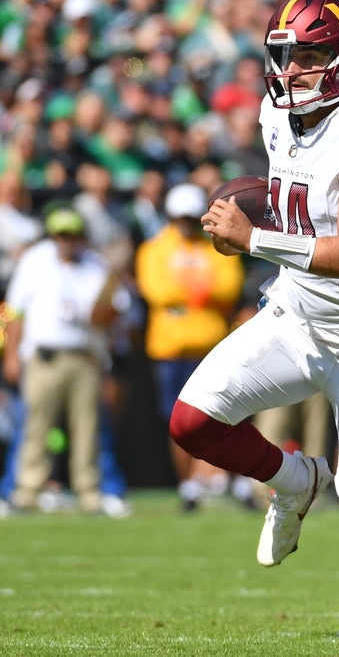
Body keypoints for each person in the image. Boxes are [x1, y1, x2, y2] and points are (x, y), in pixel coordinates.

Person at [168, 0, 339, 636]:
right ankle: (294, 479)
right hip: (297, 317)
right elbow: (295, 209)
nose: (292, 70)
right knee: (193, 422)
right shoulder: (276, 115)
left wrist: (254, 239)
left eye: (309, 56)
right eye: (286, 56)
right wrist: (251, 229)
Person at [1, 205, 132, 515]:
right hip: (43, 356)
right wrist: (11, 354)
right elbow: (14, 311)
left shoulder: (96, 265)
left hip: (84, 357)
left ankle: (90, 492)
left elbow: (116, 310)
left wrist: (98, 313)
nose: (66, 241)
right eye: (61, 235)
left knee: (87, 429)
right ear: (52, 236)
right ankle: (26, 491)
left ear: (81, 237)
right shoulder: (35, 260)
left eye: (71, 235)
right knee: (35, 427)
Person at [135, 182, 245, 511]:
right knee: (178, 421)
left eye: (189, 218)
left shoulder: (216, 246)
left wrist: (184, 295)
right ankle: (188, 484)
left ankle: (214, 477)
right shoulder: (154, 249)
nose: (185, 224)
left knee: (219, 415)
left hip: (210, 346)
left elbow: (229, 286)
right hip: (170, 350)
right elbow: (158, 292)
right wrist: (202, 292)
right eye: (179, 218)